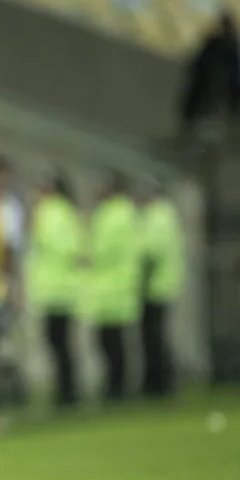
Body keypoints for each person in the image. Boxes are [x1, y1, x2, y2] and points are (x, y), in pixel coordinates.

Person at [27, 172, 81, 409]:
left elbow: (42, 247)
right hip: (67, 288)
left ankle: (65, 393)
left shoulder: (46, 213)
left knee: (56, 344)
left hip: (52, 289)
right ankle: (69, 391)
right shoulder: (69, 212)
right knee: (64, 344)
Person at [87, 173, 140, 403]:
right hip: (115, 287)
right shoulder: (126, 213)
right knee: (113, 341)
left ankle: (117, 387)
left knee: (111, 342)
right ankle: (118, 386)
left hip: (113, 288)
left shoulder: (113, 215)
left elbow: (100, 251)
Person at [138, 178, 184, 398]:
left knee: (154, 337)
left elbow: (151, 253)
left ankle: (160, 383)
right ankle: (160, 381)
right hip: (162, 284)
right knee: (156, 336)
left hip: (155, 286)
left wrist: (138, 274)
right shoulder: (166, 215)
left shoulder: (157, 217)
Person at [179, 11, 240, 146]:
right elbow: (200, 64)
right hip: (204, 90)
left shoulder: (232, 49)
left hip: (221, 97)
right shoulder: (214, 43)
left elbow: (236, 79)